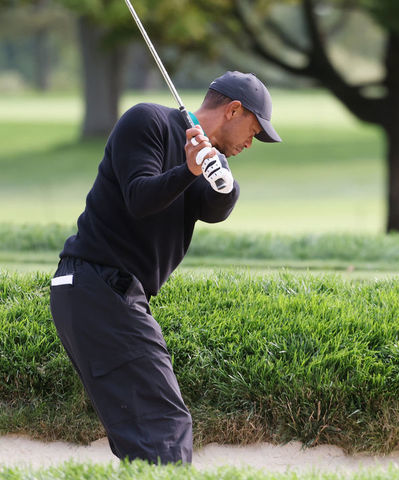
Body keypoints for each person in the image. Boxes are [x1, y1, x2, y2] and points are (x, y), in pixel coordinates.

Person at [49, 71, 281, 465]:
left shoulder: (207, 156)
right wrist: (188, 170)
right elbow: (139, 198)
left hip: (108, 295)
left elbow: (212, 209)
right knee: (164, 427)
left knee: (143, 437)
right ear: (234, 110)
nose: (251, 142)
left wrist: (225, 184)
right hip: (97, 286)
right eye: (253, 130)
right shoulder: (147, 122)